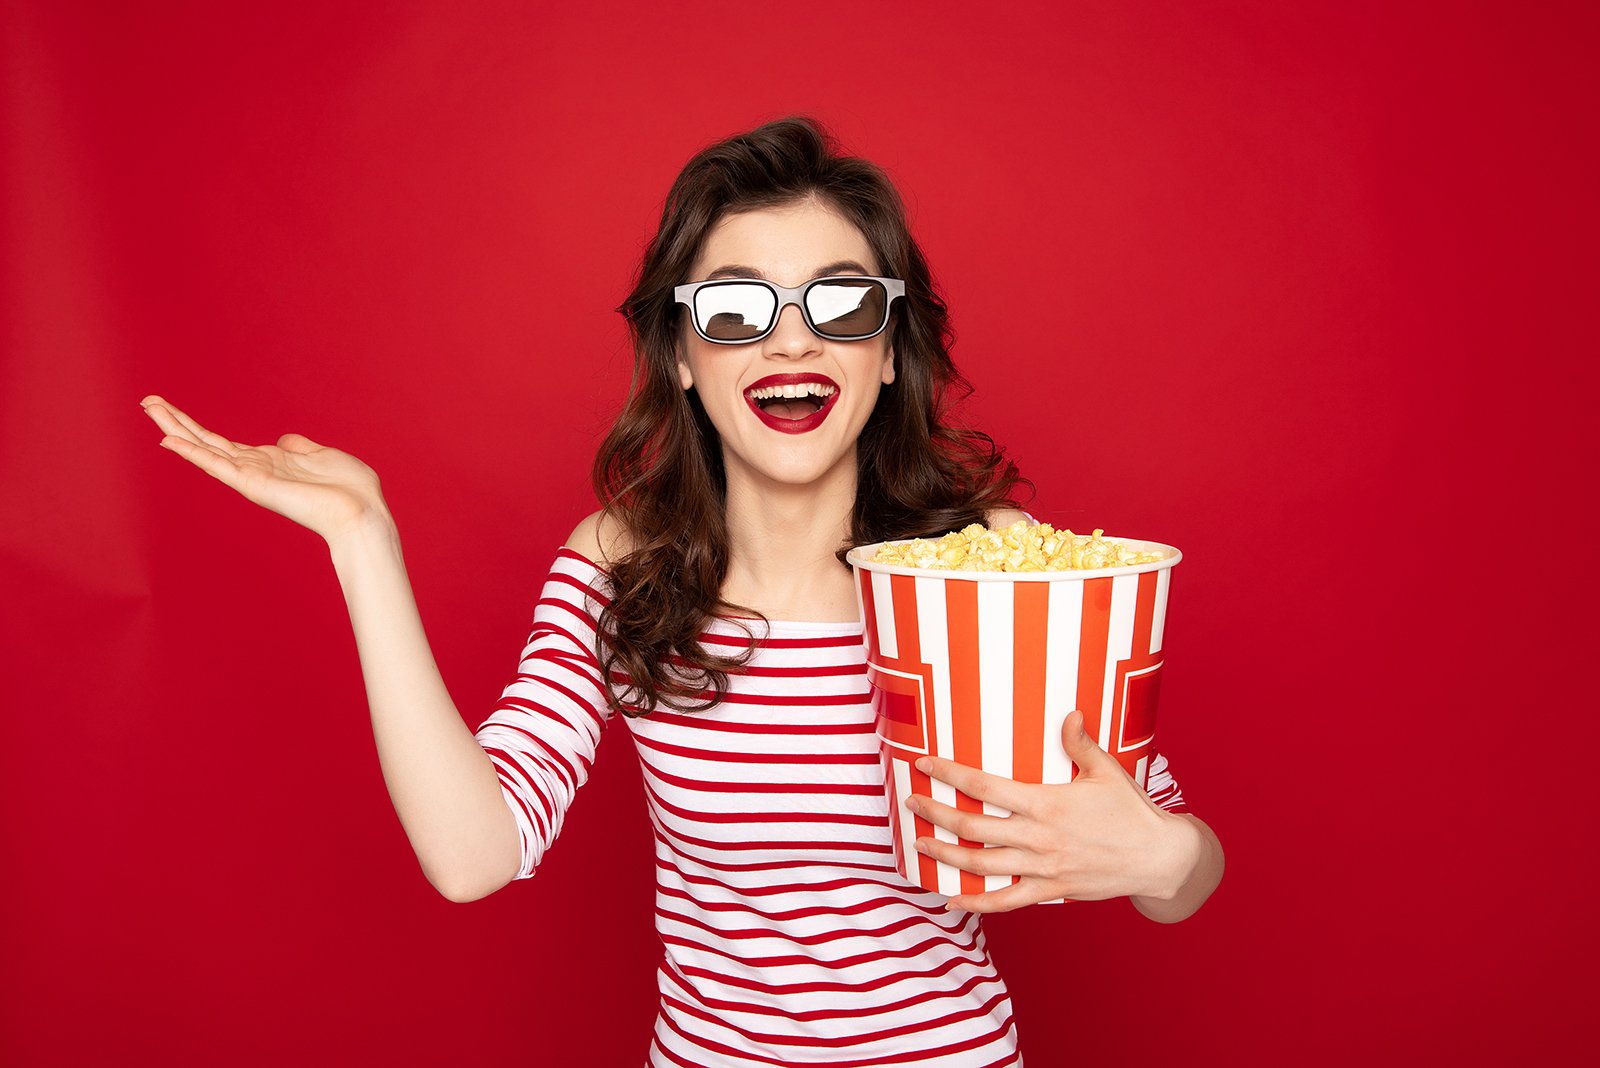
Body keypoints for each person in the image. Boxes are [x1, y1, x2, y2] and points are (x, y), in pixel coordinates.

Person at [141, 116, 1223, 1067]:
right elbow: (474, 855)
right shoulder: (624, 565)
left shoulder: (990, 563)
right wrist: (363, 541)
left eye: (840, 303)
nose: (791, 338)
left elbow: (1178, 874)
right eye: (736, 309)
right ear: (682, 357)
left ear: (891, 351)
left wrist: (1159, 852)